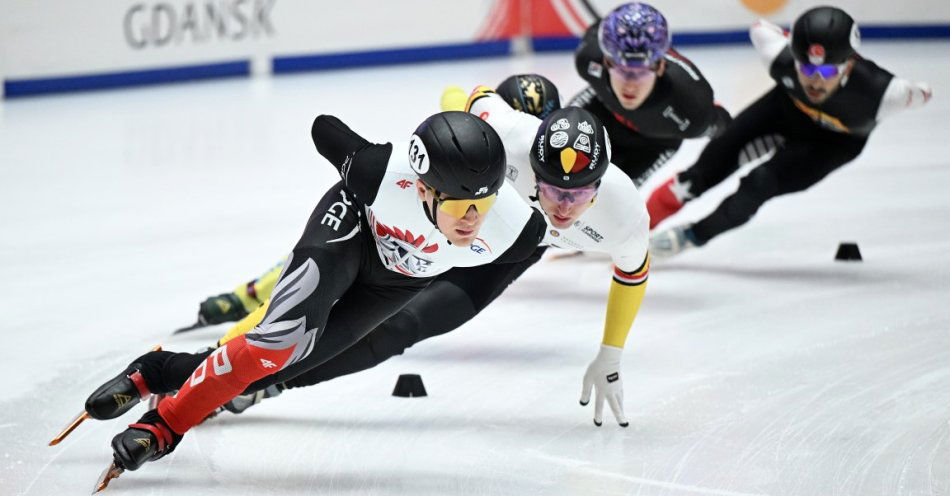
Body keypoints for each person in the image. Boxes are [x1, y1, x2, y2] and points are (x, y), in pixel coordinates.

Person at [80, 77, 650, 449]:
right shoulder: (506, 134)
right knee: (295, 317)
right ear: (525, 161)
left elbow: (632, 270)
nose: (562, 206)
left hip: (489, 250)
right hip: (441, 216)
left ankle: (252, 382)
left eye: (580, 194)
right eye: (548, 187)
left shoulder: (609, 218)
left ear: (602, 186)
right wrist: (444, 152)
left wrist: (612, 352)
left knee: (394, 331)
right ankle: (218, 360)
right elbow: (462, 99)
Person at [646, 6, 933, 257]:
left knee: (758, 185)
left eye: (828, 72)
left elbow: (922, 93)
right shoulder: (777, 56)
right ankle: (640, 225)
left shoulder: (883, 94)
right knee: (698, 175)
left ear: (849, 66)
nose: (815, 81)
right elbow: (760, 28)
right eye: (805, 69)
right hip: (783, 113)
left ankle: (690, 236)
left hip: (831, 145)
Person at [569, 2, 731, 188]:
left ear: (661, 67)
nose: (630, 85)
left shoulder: (691, 107)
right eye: (621, 70)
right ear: (606, 61)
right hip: (601, 111)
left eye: (641, 72)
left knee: (610, 192)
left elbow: (726, 129)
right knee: (555, 155)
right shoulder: (588, 58)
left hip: (651, 146)